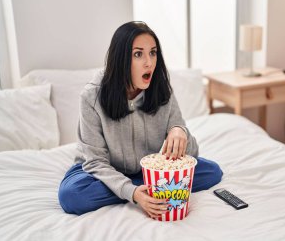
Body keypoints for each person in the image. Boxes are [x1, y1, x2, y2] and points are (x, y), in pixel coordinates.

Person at [58, 21, 223, 217]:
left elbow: (192, 154)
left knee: (212, 172)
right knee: (72, 195)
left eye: (153, 53)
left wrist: (180, 131)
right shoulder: (91, 97)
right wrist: (133, 192)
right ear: (121, 59)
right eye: (138, 54)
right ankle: (151, 188)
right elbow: (95, 162)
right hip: (99, 173)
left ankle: (149, 187)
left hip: (149, 171)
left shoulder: (162, 90)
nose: (149, 62)